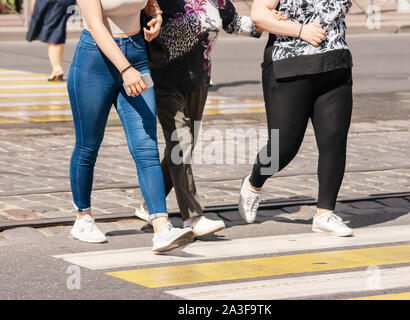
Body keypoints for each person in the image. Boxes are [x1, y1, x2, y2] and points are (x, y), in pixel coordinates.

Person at [134, 0, 281, 238]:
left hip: (198, 80)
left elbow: (232, 22)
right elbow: (139, 25)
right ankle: (192, 217)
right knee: (181, 143)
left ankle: (152, 203)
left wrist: (268, 21)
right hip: (162, 79)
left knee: (181, 146)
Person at [68, 0, 195, 252]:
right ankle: (83, 217)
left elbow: (147, 4)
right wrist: (125, 69)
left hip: (136, 54)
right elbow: (95, 25)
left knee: (146, 145)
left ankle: (161, 226)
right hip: (95, 60)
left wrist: (155, 16)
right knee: (88, 145)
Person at [239, 0, 354, 237]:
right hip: (288, 64)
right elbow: (259, 16)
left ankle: (324, 213)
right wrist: (301, 30)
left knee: (334, 140)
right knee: (283, 147)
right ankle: (254, 182)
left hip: (335, 64)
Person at [26, 0, 76, 81]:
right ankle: (56, 68)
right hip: (66, 2)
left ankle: (57, 69)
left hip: (51, 3)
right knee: (58, 28)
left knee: (53, 31)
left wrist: (33, 5)